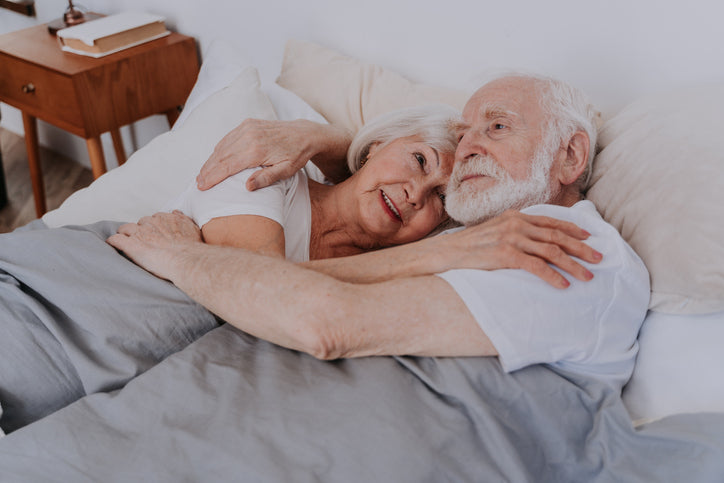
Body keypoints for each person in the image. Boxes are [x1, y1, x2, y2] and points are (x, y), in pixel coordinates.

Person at [109, 73, 650, 392]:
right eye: (426, 156)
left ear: (571, 155)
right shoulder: (266, 172)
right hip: (110, 291)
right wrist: (331, 140)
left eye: (499, 126)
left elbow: (304, 304)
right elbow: (273, 290)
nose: (469, 150)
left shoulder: (542, 243)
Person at [166, 105, 460, 261]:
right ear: (377, 145)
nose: (416, 195)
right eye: (421, 160)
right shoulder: (265, 171)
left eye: (442, 198)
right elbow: (260, 292)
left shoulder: (400, 281)